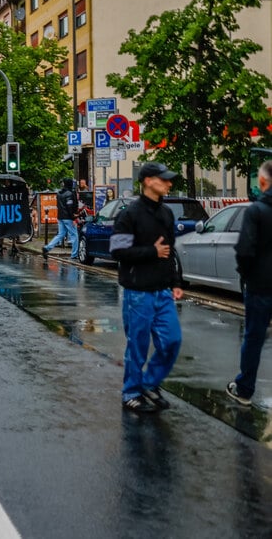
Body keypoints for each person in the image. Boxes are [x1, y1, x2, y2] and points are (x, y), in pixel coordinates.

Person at [110, 162, 183, 413]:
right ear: (148, 181)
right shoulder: (129, 214)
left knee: (172, 340)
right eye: (164, 179)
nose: (169, 183)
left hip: (163, 291)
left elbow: (170, 251)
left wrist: (175, 282)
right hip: (137, 292)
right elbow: (117, 250)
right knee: (138, 346)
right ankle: (131, 393)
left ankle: (149, 383)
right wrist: (152, 251)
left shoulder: (166, 214)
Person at [226, 160, 272, 406]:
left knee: (254, 338)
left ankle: (244, 389)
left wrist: (246, 275)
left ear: (262, 182)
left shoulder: (255, 211)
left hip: (260, 286)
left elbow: (244, 251)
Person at [42, 178, 78, 258]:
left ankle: (47, 247)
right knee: (74, 235)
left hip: (60, 217)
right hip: (68, 218)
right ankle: (74, 254)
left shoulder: (59, 193)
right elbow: (70, 206)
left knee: (60, 234)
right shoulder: (69, 193)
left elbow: (58, 205)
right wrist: (72, 217)